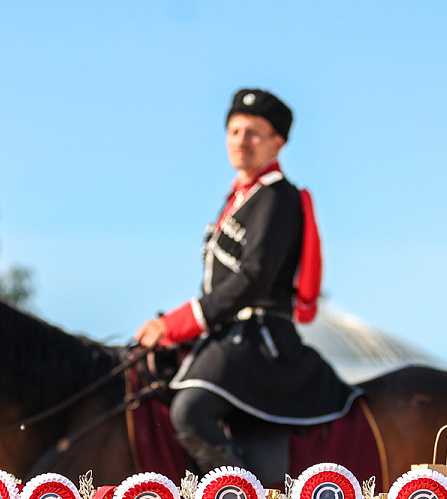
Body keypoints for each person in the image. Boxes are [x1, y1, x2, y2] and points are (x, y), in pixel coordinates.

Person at [135, 88, 358, 476]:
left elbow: (253, 279)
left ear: (278, 142)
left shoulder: (277, 197)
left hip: (259, 336)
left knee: (190, 411)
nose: (242, 140)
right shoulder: (237, 199)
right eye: (235, 131)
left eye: (254, 132)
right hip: (227, 332)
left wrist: (174, 324)